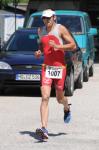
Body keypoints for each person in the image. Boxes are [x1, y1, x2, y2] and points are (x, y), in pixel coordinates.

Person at [34, 9, 77, 140]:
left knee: (59, 98)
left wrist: (58, 47)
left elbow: (73, 45)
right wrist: (39, 52)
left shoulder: (60, 29)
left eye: (48, 18)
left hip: (60, 67)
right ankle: (44, 128)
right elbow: (42, 46)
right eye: (44, 19)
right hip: (46, 67)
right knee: (45, 97)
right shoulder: (40, 31)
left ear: (54, 18)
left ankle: (66, 107)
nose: (46, 21)